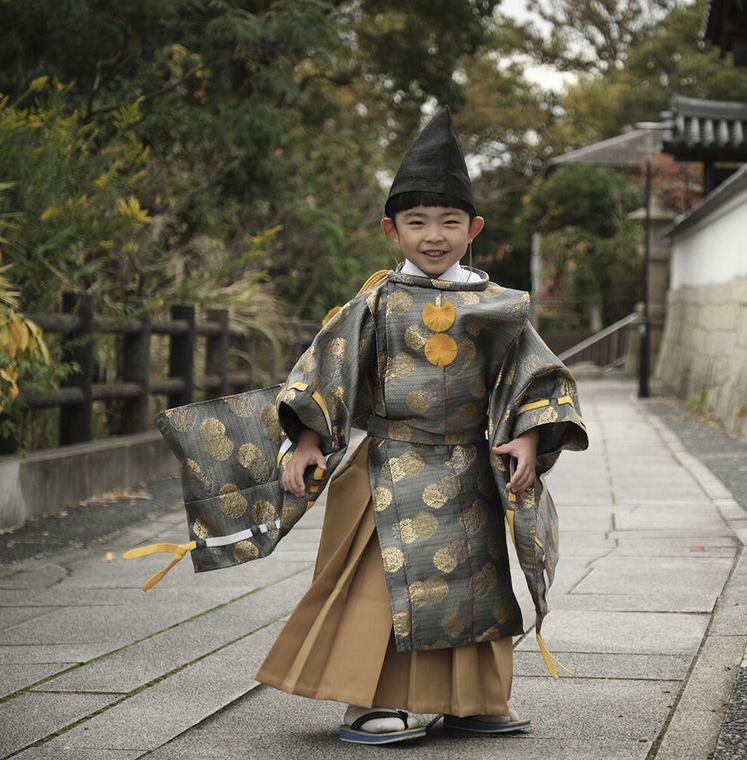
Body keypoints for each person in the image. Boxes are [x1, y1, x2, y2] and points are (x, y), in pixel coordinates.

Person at [134, 107, 587, 746]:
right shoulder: (373, 303)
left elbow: (537, 379)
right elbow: (327, 373)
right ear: (391, 229)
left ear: (474, 229)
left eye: (450, 222)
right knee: (381, 585)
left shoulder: (499, 307)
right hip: (389, 467)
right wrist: (309, 441)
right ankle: (371, 700)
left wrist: (530, 435)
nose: (434, 235)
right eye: (418, 222)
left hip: (469, 467)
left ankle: (470, 698)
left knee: (474, 588)